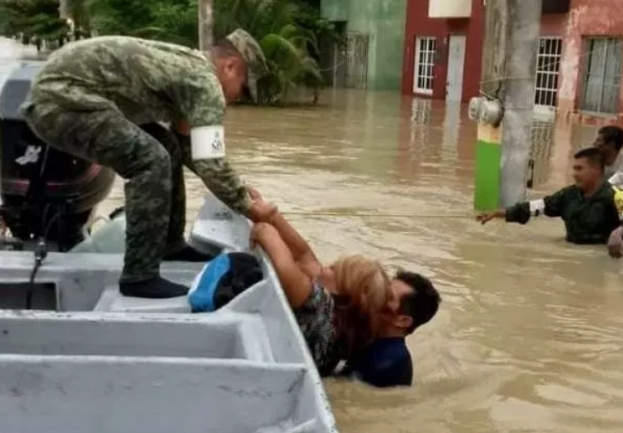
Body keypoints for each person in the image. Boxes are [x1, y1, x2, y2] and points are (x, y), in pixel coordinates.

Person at [21, 30, 279, 299]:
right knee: (151, 159)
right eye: (244, 87)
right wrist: (249, 207)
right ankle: (139, 276)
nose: (240, 97)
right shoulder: (206, 83)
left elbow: (190, 150)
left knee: (167, 147)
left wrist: (237, 187)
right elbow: (209, 160)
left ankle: (170, 244)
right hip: (62, 102)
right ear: (230, 66)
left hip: (58, 95)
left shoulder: (192, 70)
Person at [250, 211, 391, 376]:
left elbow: (285, 266)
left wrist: (263, 228)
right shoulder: (350, 324)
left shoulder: (318, 304)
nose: (324, 268)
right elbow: (304, 256)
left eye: (333, 269)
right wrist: (272, 215)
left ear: (342, 290)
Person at [476, 147, 623, 258]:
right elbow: (538, 207)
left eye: (579, 169)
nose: (574, 174)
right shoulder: (568, 195)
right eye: (574, 169)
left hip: (602, 258)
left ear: (596, 170)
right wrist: (499, 213)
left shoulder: (617, 195)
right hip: (572, 254)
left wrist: (620, 232)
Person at [340, 270, 441, 388]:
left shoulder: (387, 363)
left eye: (387, 296)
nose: (375, 294)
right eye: (382, 289)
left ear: (402, 321)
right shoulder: (370, 332)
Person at [594, 125, 623, 201]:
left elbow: (611, 186)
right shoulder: (595, 159)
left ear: (611, 144)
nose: (594, 144)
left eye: (599, 140)